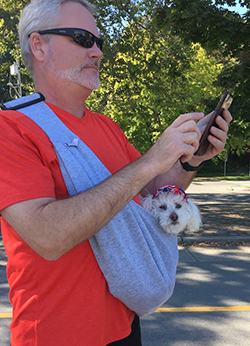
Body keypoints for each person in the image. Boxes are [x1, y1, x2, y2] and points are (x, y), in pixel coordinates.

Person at [0, 0, 232, 345]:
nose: (97, 52)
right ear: (39, 45)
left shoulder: (106, 126)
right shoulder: (10, 128)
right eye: (81, 38)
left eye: (99, 42)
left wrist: (190, 160)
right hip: (55, 333)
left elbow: (150, 189)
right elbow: (47, 237)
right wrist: (152, 159)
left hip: (124, 325)